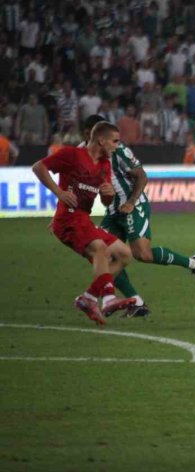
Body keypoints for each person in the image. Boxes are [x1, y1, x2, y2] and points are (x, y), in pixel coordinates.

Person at [80, 115, 195, 317]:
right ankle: (137, 302)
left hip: (133, 206)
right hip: (112, 212)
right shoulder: (82, 153)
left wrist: (131, 202)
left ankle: (194, 263)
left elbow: (141, 175)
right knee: (102, 254)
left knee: (143, 254)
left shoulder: (119, 151)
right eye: (88, 132)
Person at [31, 122, 136, 325]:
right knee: (100, 249)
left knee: (125, 254)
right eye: (115, 141)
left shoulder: (105, 164)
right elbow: (38, 167)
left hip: (83, 219)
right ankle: (108, 298)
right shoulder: (72, 154)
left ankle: (88, 299)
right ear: (101, 140)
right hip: (68, 219)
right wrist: (59, 192)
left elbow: (104, 200)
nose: (117, 145)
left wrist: (108, 196)